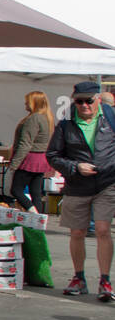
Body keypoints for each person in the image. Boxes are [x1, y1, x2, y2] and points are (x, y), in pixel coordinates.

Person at [46, 81, 115, 301]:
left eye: (89, 101)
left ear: (98, 100)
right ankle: (79, 277)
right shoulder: (66, 123)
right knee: (77, 232)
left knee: (103, 230)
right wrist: (76, 167)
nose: (84, 105)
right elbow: (53, 155)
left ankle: (105, 280)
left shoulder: (111, 117)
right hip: (77, 184)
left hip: (107, 182)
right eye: (79, 101)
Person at [8, 91, 55, 214]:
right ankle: (38, 220)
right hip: (41, 159)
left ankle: (32, 212)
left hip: (29, 159)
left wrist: (14, 164)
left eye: (27, 101)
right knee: (36, 193)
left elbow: (25, 143)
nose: (25, 104)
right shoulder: (47, 117)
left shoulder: (34, 118)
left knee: (16, 190)